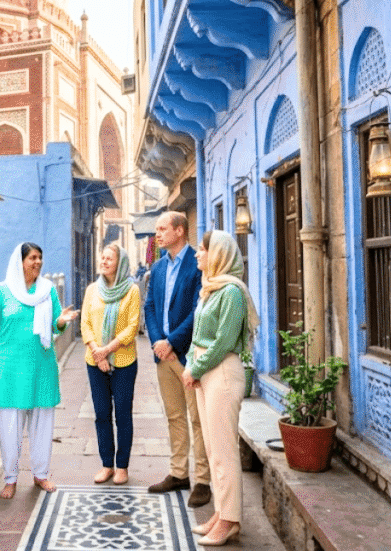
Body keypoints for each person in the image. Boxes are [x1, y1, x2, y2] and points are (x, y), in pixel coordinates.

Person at [0, 243, 79, 500]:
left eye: (40, 257)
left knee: (42, 422)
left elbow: (56, 326)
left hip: (41, 365)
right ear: (20, 261)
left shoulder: (48, 291)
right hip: (11, 367)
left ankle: (41, 474)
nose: (37, 262)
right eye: (32, 258)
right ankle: (10, 479)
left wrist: (62, 321)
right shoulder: (4, 291)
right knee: (10, 426)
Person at [181, 230, 259, 546]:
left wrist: (194, 369)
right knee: (213, 449)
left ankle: (229, 520)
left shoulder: (232, 293)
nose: (198, 254)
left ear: (218, 254)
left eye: (203, 249)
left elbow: (224, 341)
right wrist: (191, 365)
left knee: (224, 450)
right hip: (204, 371)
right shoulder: (211, 290)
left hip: (222, 373)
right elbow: (199, 335)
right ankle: (222, 513)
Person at [143, 211, 211, 506]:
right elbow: (150, 306)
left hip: (188, 354)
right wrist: (159, 341)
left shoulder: (198, 264)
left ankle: (204, 480)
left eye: (162, 229)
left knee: (198, 419)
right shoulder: (158, 268)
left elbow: (200, 310)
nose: (157, 234)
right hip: (164, 356)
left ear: (180, 231)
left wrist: (172, 342)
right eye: (156, 229)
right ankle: (179, 473)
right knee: (174, 417)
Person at [81, 243, 140, 485]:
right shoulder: (92, 290)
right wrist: (97, 352)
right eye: (102, 257)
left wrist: (107, 350)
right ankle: (107, 465)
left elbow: (132, 326)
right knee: (101, 414)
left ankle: (122, 466)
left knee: (123, 414)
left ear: (121, 263)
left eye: (109, 258)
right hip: (95, 362)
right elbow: (85, 323)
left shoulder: (132, 290)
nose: (104, 262)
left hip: (124, 362)